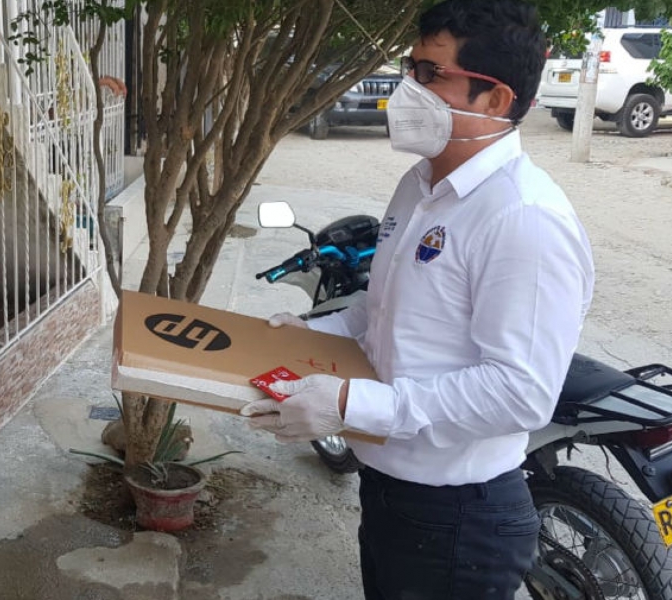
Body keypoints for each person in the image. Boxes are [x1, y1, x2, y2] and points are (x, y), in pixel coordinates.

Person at [240, 1, 595, 598]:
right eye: (411, 68)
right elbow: (385, 310)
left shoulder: (524, 218)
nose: (409, 89)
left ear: (495, 100)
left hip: (460, 519)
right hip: (391, 491)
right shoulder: (421, 186)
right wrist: (307, 335)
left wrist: (353, 405)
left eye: (431, 75)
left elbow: (520, 393)